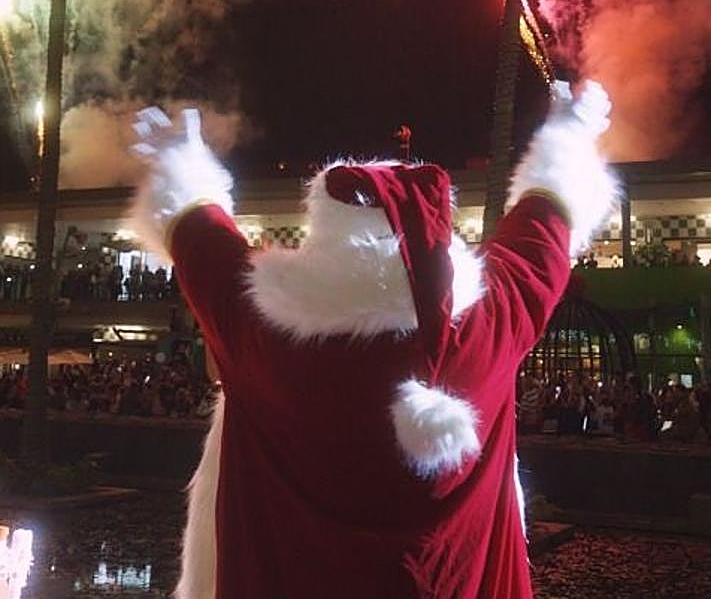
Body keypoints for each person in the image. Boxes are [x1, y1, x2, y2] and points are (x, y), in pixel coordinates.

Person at [130, 82, 616, 599]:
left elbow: (200, 238)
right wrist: (569, 134)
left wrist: (178, 160)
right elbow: (541, 234)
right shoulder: (485, 329)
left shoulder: (263, 329)